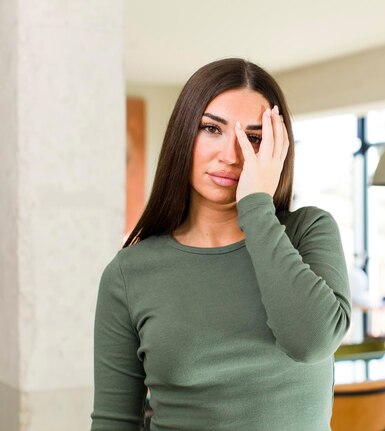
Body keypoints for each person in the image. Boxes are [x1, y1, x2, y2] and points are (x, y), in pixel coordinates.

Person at [91, 58, 351, 431]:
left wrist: (256, 208)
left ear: (277, 151)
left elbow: (310, 341)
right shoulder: (129, 274)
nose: (231, 155)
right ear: (184, 134)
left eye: (255, 137)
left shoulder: (308, 232)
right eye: (212, 128)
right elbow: (113, 422)